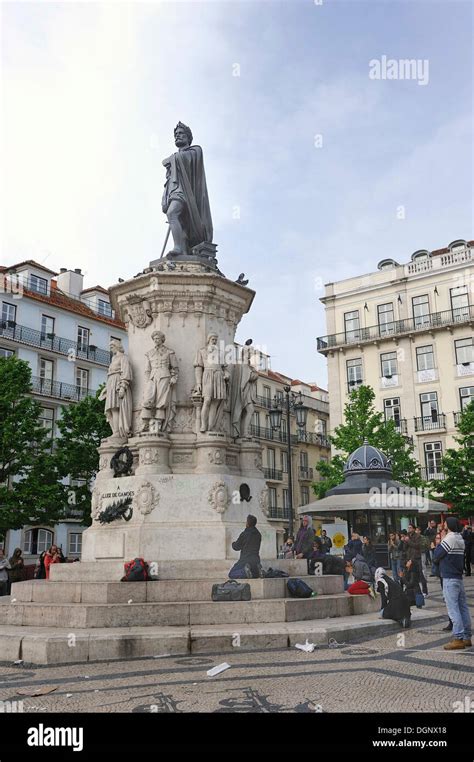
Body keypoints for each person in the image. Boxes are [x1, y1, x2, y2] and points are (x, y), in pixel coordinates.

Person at [433, 517, 472, 650]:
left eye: (444, 523)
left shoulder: (449, 538)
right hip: (458, 578)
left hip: (449, 578)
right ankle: (467, 637)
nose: (443, 524)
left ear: (448, 525)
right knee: (463, 608)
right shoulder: (460, 538)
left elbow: (436, 555)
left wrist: (440, 541)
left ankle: (458, 638)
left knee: (453, 608)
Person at [431, 532, 453, 632]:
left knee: (450, 600)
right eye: (436, 538)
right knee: (447, 599)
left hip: (447, 576)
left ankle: (453, 622)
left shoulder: (443, 548)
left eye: (439, 538)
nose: (438, 540)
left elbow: (436, 559)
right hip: (442, 575)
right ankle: (452, 621)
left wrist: (434, 549)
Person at [406, 523, 428, 596]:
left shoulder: (418, 536)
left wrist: (408, 541)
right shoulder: (408, 536)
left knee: (420, 575)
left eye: (410, 528)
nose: (409, 529)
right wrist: (405, 541)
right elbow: (406, 547)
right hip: (410, 557)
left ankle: (425, 591)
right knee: (411, 575)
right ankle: (414, 591)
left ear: (414, 529)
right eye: (408, 528)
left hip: (416, 557)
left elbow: (416, 546)